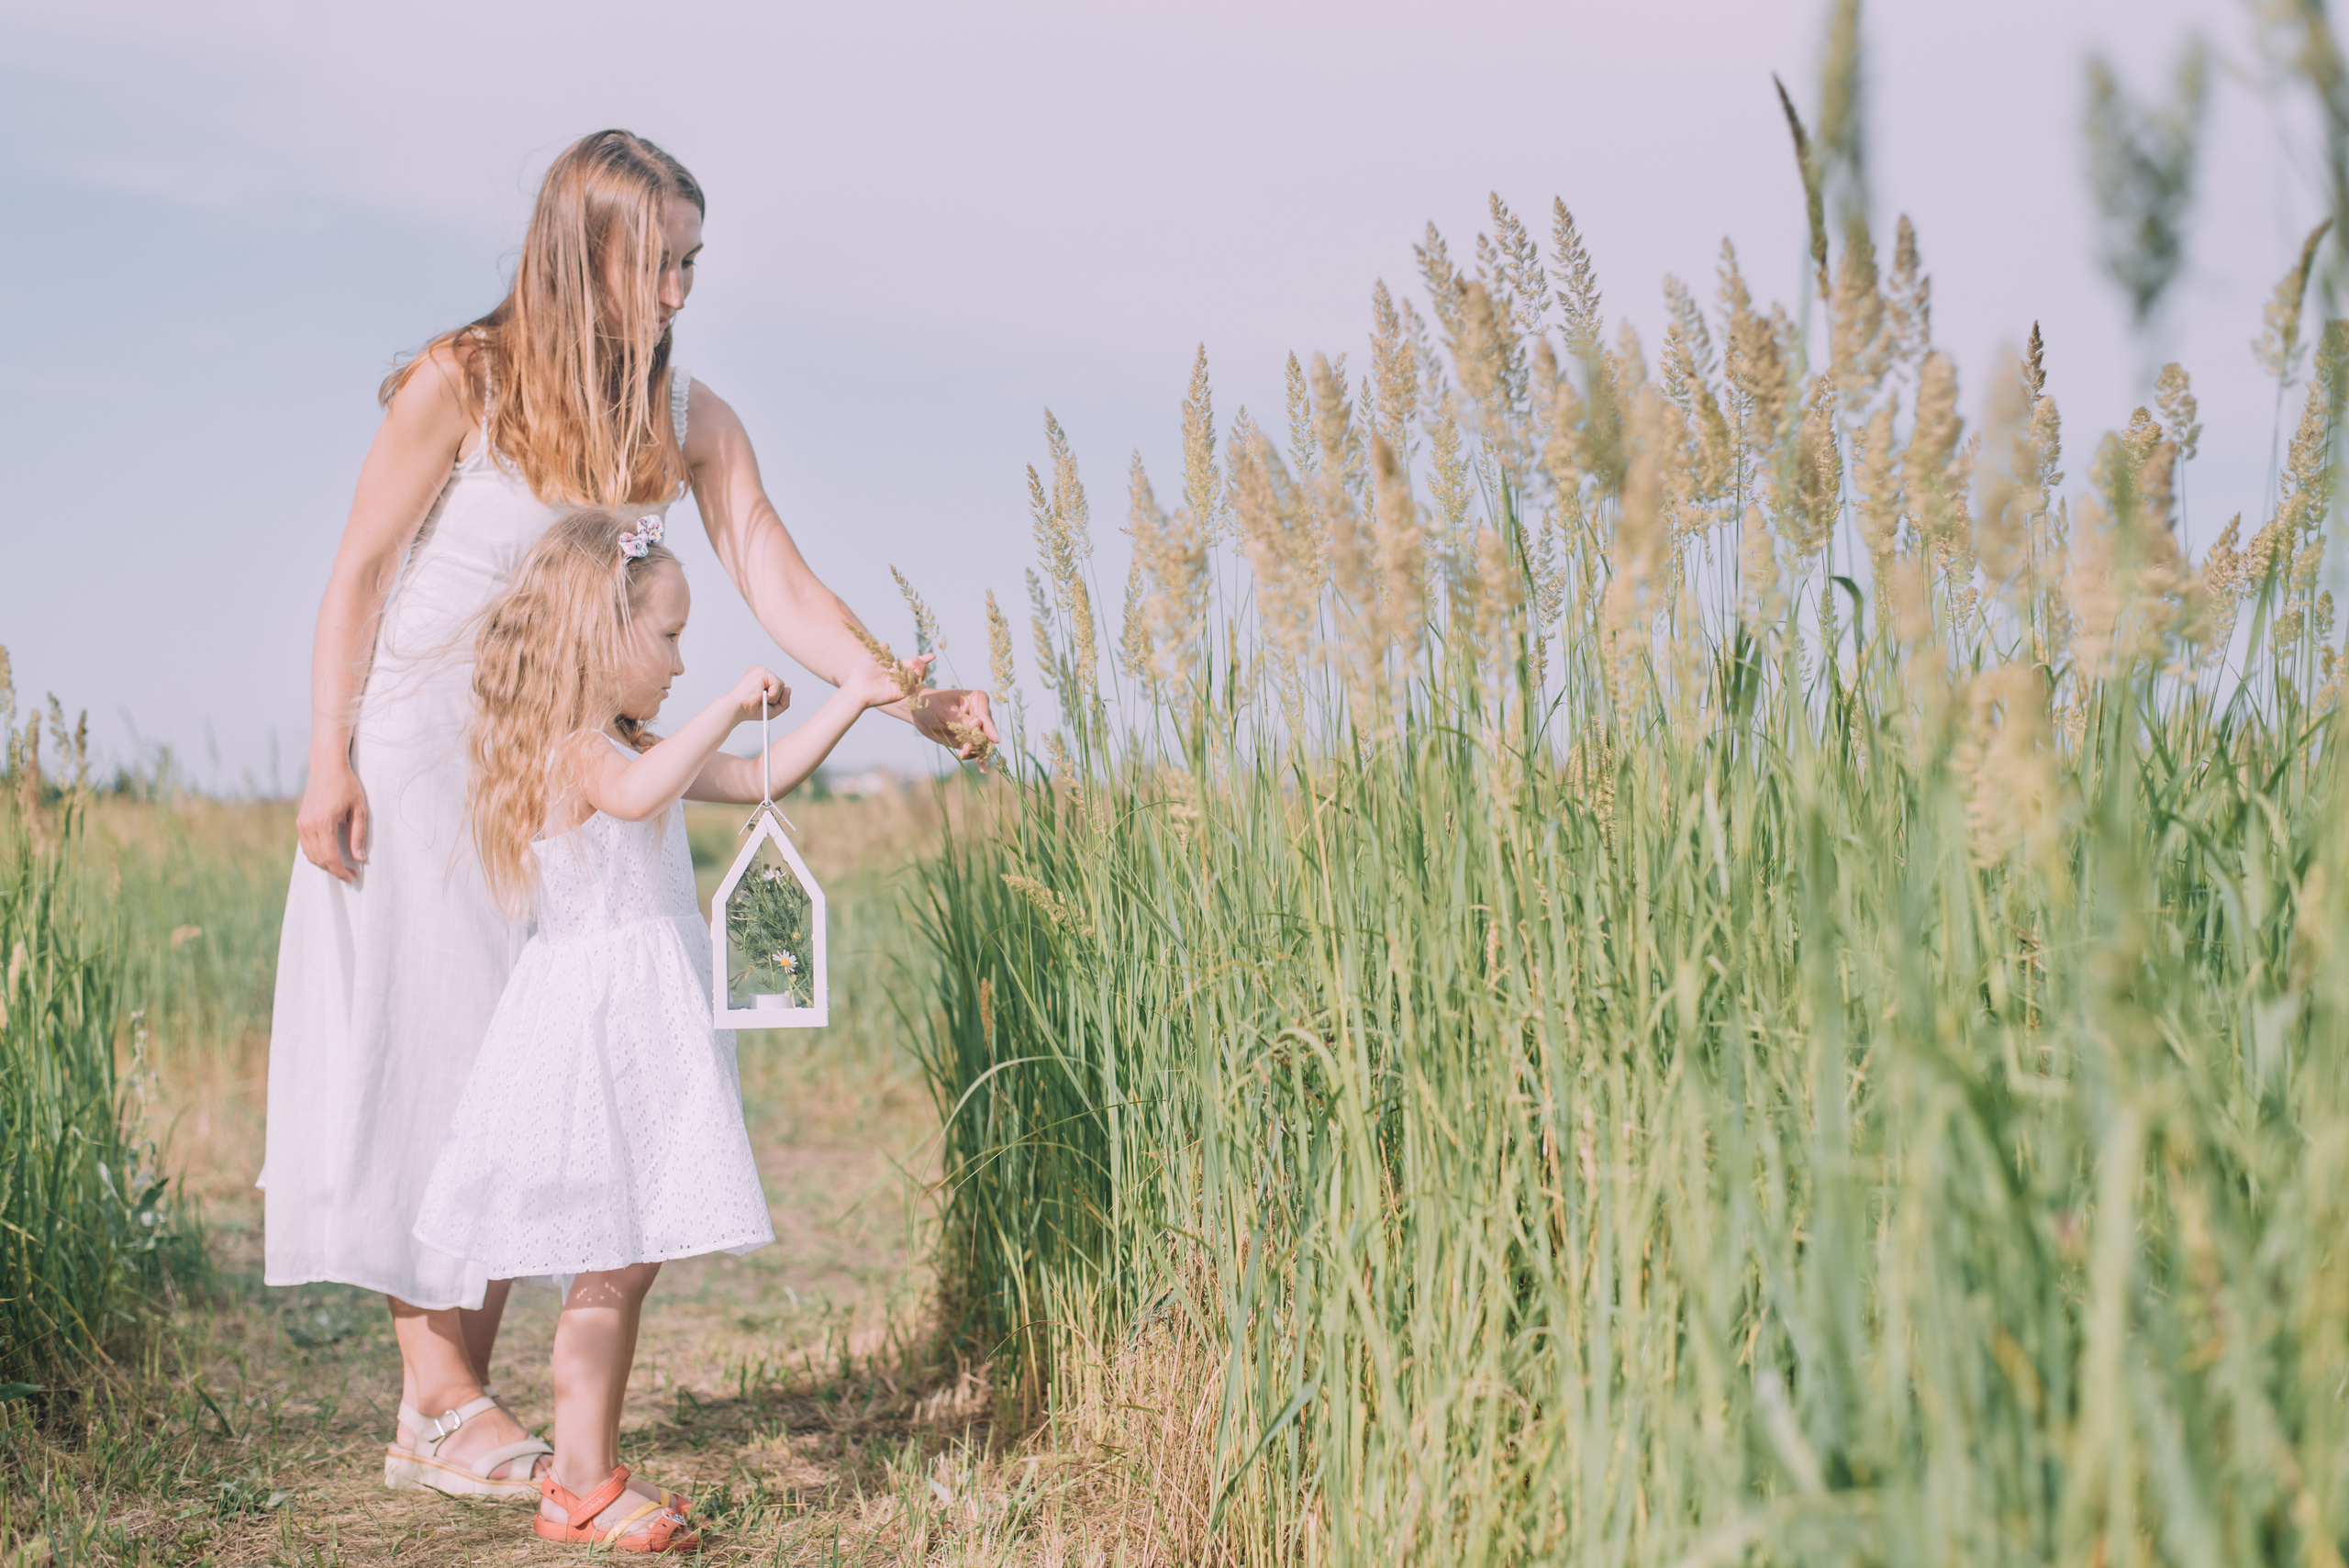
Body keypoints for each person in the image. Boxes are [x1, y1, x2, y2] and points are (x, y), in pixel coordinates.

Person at [262, 128, 995, 1500]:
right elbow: (357, 576)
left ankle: (452, 1405)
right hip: (425, 761)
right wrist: (328, 759)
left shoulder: (688, 416)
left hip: (581, 770)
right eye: (654, 263)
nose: (677, 293)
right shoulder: (459, 381)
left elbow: (772, 567)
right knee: (433, 1052)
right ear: (578, 248)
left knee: (513, 1067)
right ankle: (439, 1399)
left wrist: (902, 694)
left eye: (692, 265)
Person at [406, 510, 907, 1551]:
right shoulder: (579, 750)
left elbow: (759, 778)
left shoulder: (634, 741)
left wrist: (853, 696)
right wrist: (727, 703)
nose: (684, 662)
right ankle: (580, 1479)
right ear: (599, 634)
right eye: (669, 636)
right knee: (610, 1251)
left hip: (643, 1024)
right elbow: (634, 798)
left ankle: (581, 1476)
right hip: (593, 1031)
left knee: (626, 1257)